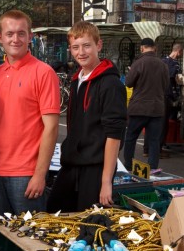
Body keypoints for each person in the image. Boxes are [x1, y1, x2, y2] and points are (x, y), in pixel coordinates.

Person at [0, 9, 60, 217]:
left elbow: (51, 128)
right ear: (0, 37)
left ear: (30, 36)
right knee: (3, 234)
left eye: (21, 33)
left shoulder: (44, 72)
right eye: (10, 34)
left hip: (26, 174)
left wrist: (39, 175)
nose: (15, 39)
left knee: (30, 234)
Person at [46, 21, 127, 212]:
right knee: (54, 211)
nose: (81, 52)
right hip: (72, 164)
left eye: (86, 46)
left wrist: (106, 181)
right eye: (75, 47)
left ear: (98, 45)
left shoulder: (111, 84)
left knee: (89, 222)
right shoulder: (77, 80)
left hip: (95, 169)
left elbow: (114, 135)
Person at [123, 37, 169, 171]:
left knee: (131, 137)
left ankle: (128, 165)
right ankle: (152, 168)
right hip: (157, 108)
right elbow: (166, 86)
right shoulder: (163, 65)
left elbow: (128, 83)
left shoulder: (138, 63)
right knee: (154, 141)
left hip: (139, 108)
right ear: (154, 48)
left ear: (142, 48)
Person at [143, 43, 184, 157]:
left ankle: (146, 149)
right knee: (162, 124)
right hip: (165, 97)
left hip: (154, 95)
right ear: (179, 51)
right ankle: (158, 150)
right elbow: (173, 78)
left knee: (151, 123)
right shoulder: (174, 64)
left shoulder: (161, 61)